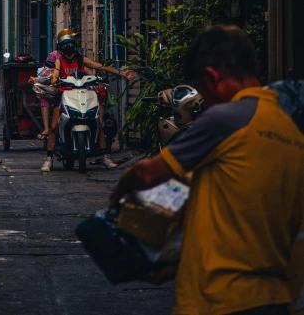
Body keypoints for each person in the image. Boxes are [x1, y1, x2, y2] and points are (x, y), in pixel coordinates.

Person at [110, 25, 304, 315]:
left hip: (218, 299)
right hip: (274, 296)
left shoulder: (225, 119)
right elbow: (237, 215)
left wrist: (116, 203)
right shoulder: (290, 129)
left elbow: (147, 174)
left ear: (212, 77)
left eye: (203, 91)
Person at [41, 29, 136, 172]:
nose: (68, 47)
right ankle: (48, 159)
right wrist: (55, 79)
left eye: (70, 44)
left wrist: (121, 73)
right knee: (53, 126)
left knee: (98, 123)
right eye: (65, 44)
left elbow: (99, 66)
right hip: (64, 94)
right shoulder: (59, 61)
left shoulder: (81, 59)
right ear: (60, 47)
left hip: (82, 93)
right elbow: (55, 73)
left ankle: (105, 156)